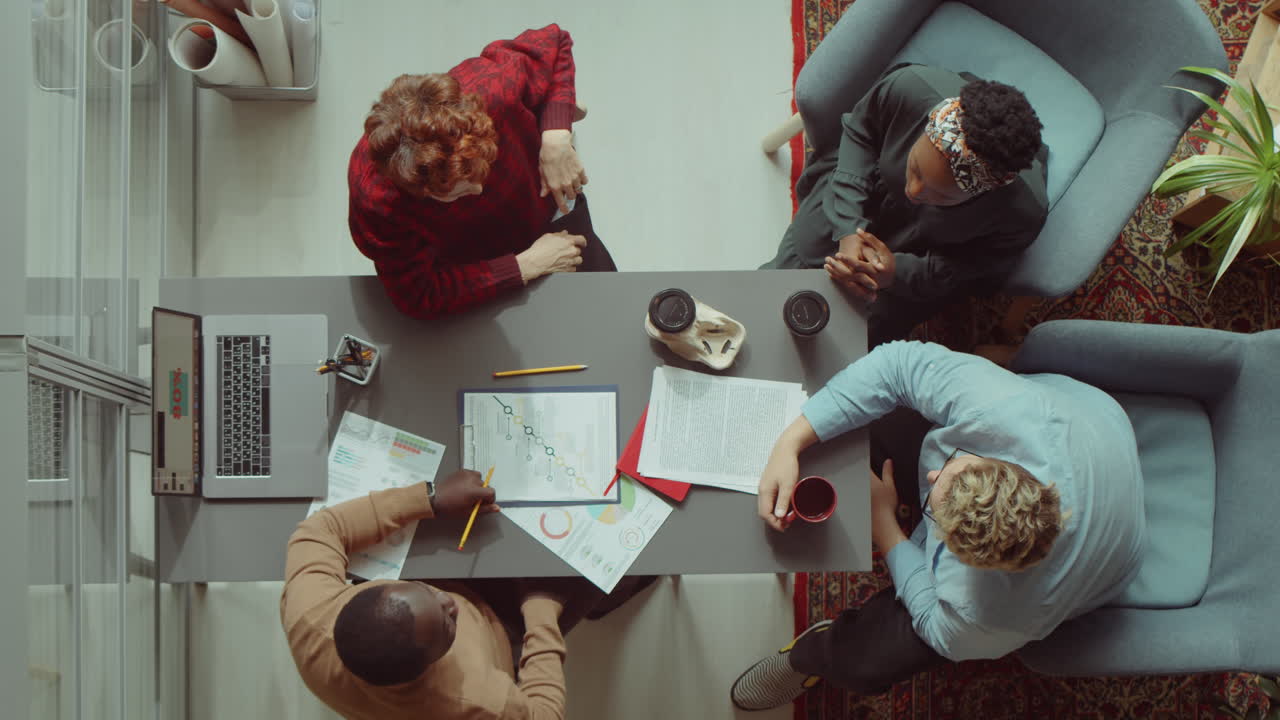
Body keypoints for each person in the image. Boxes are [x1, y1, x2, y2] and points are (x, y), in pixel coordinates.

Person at [729, 341, 1145, 710]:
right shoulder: (1003, 407)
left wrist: (885, 528)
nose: (931, 476)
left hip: (1106, 558)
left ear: (960, 559)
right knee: (874, 413)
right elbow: (895, 366)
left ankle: (810, 655)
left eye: (936, 508)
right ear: (1005, 464)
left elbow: (931, 619)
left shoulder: (991, 613)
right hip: (1096, 423)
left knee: (869, 664)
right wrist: (790, 443)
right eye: (953, 467)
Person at [281, 470, 640, 719]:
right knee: (615, 558)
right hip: (499, 625)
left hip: (444, 587)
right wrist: (542, 614)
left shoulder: (311, 617)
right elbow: (544, 713)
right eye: (448, 623)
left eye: (424, 593)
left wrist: (430, 499)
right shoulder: (476, 701)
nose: (447, 601)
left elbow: (321, 529)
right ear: (430, 665)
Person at [762, 64, 1047, 347]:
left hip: (922, 251)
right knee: (785, 272)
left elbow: (963, 269)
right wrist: (848, 230)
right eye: (915, 169)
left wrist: (895, 272)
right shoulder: (907, 89)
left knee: (852, 336)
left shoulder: (1019, 215)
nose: (913, 191)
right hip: (867, 188)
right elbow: (860, 133)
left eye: (943, 197)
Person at [348, 24, 616, 319]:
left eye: (482, 170)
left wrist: (556, 134)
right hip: (473, 262)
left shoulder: (491, 91)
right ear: (419, 189)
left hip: (544, 206)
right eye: (460, 191)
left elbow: (555, 42)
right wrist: (525, 265)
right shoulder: (377, 202)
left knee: (605, 310)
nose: (478, 190)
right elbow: (418, 293)